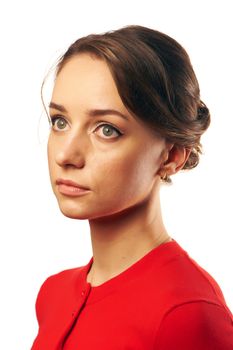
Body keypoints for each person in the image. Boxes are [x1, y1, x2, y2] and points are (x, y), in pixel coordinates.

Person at [31, 25, 233, 349]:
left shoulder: (186, 314)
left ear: (171, 156)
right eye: (60, 122)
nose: (66, 154)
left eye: (107, 129)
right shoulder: (52, 294)